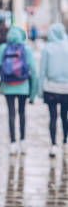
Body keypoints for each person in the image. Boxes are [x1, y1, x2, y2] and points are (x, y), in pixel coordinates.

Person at [0, 25, 38, 155]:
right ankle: (22, 142)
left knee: (11, 113)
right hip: (23, 86)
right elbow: (33, 71)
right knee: (22, 113)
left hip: (7, 86)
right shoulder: (26, 49)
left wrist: (3, 68)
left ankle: (12, 143)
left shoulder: (3, 48)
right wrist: (33, 94)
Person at [39, 23, 68, 157]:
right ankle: (65, 141)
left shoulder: (48, 48)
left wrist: (39, 91)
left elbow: (42, 72)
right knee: (64, 116)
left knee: (53, 117)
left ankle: (53, 145)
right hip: (66, 89)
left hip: (50, 88)